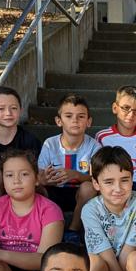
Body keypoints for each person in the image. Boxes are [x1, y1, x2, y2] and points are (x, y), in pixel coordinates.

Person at [37, 94, 99, 233]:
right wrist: (44, 179)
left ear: (89, 121)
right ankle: (43, 228)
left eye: (81, 116)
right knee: (35, 187)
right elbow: (39, 174)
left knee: (89, 187)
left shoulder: (94, 146)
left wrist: (77, 175)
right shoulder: (50, 144)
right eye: (69, 116)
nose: (75, 120)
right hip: (54, 190)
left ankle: (73, 230)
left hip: (80, 194)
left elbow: (98, 179)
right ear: (59, 121)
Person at [0, 86, 42, 206]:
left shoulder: (30, 140)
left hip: (23, 192)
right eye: (1, 109)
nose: (8, 113)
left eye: (13, 108)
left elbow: (37, 176)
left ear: (20, 110)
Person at [94, 85, 136, 201]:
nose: (131, 115)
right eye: (126, 108)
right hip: (115, 186)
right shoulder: (102, 137)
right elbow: (97, 168)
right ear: (115, 108)